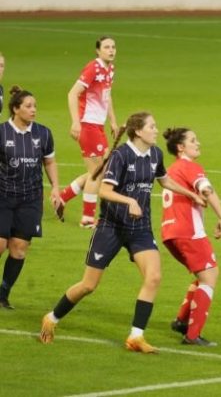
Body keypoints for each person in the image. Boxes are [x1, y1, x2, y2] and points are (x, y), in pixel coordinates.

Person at [39, 112, 205, 353]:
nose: (156, 130)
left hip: (140, 229)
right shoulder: (121, 156)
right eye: (152, 126)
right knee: (88, 285)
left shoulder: (155, 154)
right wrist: (130, 201)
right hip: (111, 227)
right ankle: (52, 318)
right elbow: (104, 192)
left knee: (154, 276)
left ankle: (136, 337)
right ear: (138, 131)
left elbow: (165, 180)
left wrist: (189, 194)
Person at [161, 127, 221, 347]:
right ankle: (192, 335)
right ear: (181, 147)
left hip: (170, 233)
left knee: (203, 274)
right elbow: (207, 190)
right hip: (189, 232)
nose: (198, 143)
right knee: (210, 276)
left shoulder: (173, 169)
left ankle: (181, 320)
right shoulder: (189, 166)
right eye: (193, 140)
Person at [0, 86, 62, 309]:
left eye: (35, 106)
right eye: (28, 106)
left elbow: (49, 162)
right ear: (16, 109)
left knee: (18, 248)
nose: (33, 110)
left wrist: (55, 188)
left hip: (30, 199)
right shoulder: (2, 133)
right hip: (3, 196)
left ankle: (3, 294)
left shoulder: (43, 133)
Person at [57, 36, 119, 228]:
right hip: (87, 124)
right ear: (98, 51)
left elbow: (106, 97)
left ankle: (62, 197)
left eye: (113, 47)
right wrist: (76, 122)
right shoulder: (93, 68)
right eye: (106, 47)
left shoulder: (110, 70)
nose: (111, 50)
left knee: (100, 170)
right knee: (97, 174)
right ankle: (87, 219)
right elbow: (72, 93)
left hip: (97, 126)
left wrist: (113, 122)